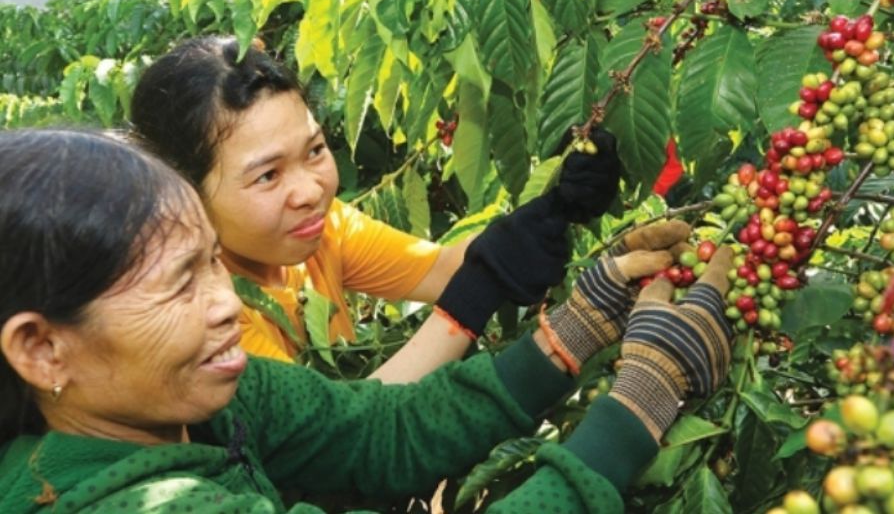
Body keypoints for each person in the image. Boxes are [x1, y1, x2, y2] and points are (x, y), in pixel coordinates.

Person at [0, 129, 734, 513]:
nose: (226, 302)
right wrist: (643, 400)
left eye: (212, 264)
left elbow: (381, 430)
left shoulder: (201, 402)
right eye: (176, 286)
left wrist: (579, 324)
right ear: (41, 349)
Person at [128, 36, 621, 381]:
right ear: (182, 192)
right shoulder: (206, 319)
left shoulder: (321, 231)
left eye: (315, 151)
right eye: (268, 175)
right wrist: (475, 295)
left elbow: (441, 269)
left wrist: (554, 204)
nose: (310, 190)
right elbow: (341, 438)